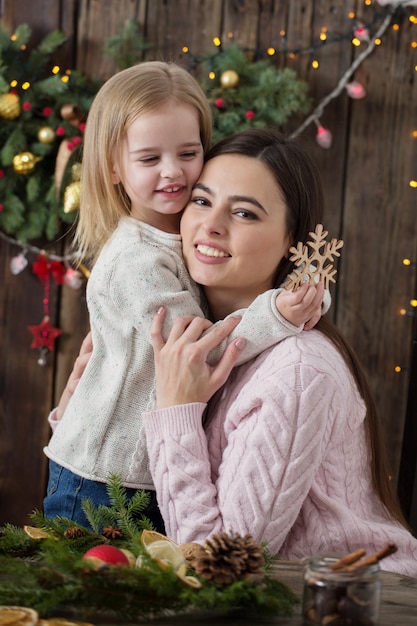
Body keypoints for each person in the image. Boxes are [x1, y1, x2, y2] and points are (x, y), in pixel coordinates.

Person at [43, 63, 326, 532]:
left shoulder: (186, 236)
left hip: (145, 473)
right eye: (149, 159)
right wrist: (277, 315)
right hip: (104, 480)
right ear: (113, 167)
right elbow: (199, 353)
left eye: (188, 152)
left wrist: (306, 294)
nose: (173, 171)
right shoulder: (137, 261)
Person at [141, 128, 417, 577]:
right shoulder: (194, 339)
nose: (211, 225)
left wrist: (176, 409)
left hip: (357, 602)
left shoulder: (297, 369)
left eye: (245, 213)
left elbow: (219, 567)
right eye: (202, 200)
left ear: (293, 240)